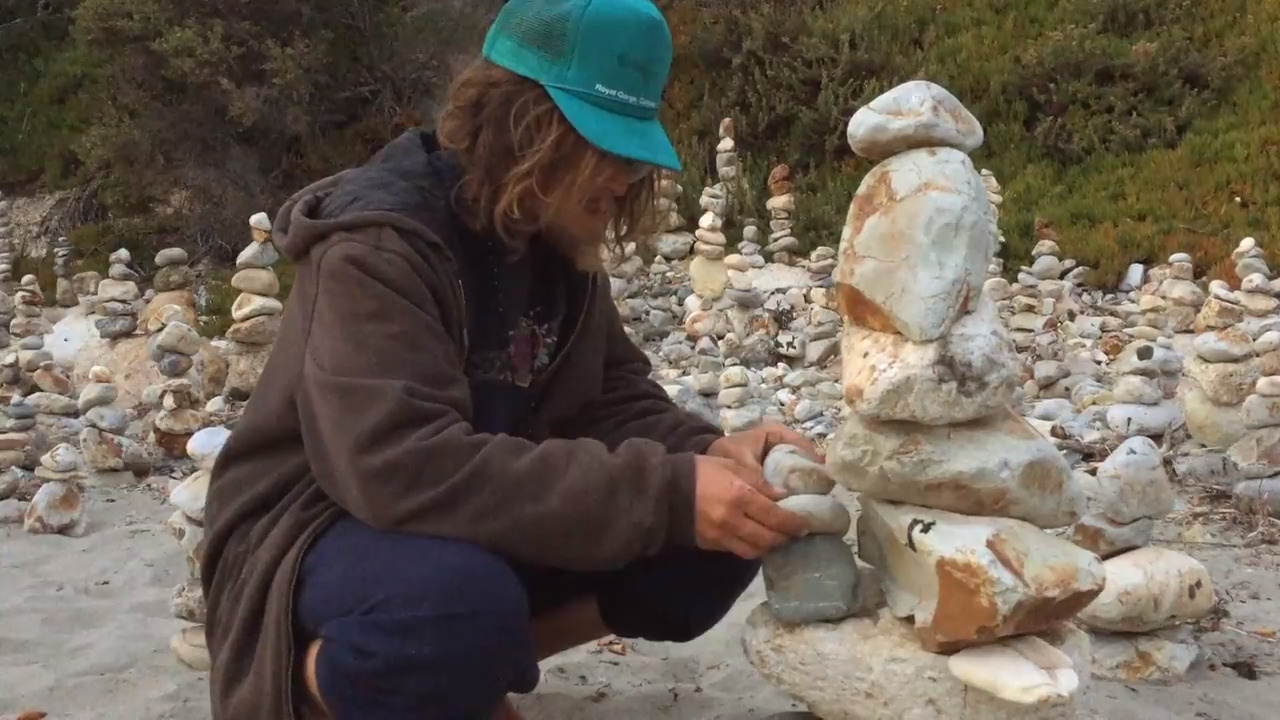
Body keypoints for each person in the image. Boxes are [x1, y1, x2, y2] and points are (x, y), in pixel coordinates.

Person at [199, 0, 821, 718]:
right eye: (607, 149)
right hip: (315, 524)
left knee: (723, 535)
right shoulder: (380, 243)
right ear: (531, 124)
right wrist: (669, 492)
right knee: (462, 606)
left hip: (457, 517)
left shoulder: (551, 229)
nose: (624, 177)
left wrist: (711, 451)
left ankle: (478, 667)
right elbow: (398, 466)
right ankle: (319, 681)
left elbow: (611, 396)